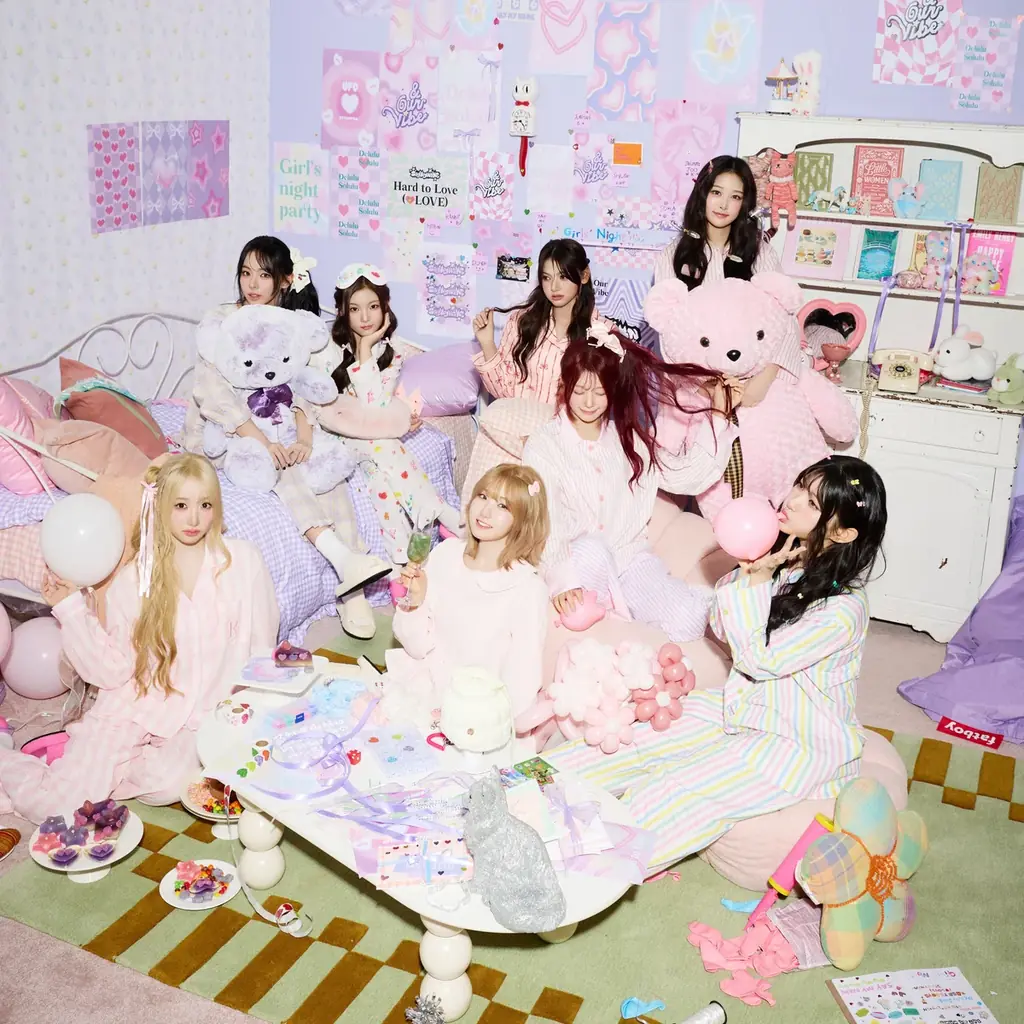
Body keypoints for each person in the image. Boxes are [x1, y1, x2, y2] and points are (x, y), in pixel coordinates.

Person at [545, 455, 887, 873]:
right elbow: (724, 626)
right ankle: (516, 786)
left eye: (813, 503)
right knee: (640, 739)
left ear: (843, 532)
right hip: (745, 707)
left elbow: (759, 659)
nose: (793, 501)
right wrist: (751, 572)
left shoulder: (844, 610)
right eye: (800, 486)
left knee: (677, 793)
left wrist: (756, 582)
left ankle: (570, 868)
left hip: (796, 742)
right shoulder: (788, 566)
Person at [0, 454, 280, 824]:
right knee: (57, 809)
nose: (194, 520)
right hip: (134, 707)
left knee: (168, 786)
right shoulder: (133, 581)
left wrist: (252, 715)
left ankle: (86, 766)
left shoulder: (244, 562)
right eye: (180, 506)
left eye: (205, 505)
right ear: (160, 507)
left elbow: (262, 649)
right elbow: (113, 672)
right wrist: (70, 610)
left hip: (202, 716)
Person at [181, 237, 389, 641]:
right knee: (285, 468)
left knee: (326, 471)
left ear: (285, 280)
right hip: (231, 433)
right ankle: (339, 555)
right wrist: (263, 441)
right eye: (246, 273)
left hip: (282, 425)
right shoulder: (221, 321)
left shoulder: (289, 323)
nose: (252, 284)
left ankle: (353, 588)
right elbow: (212, 394)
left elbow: (303, 389)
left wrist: (305, 439)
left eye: (264, 275)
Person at [523, 321, 737, 643]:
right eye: (580, 391)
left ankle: (684, 604)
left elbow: (686, 477)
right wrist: (562, 580)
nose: (589, 402)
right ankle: (615, 620)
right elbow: (544, 517)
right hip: (577, 563)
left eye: (600, 392)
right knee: (592, 553)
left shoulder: (630, 441)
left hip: (629, 561)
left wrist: (719, 415)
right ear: (564, 387)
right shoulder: (544, 444)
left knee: (688, 620)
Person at [379, 463, 550, 732]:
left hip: (475, 721)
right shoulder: (445, 554)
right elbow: (416, 648)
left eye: (503, 506)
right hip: (418, 694)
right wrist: (416, 602)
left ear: (523, 520)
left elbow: (522, 683)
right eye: (483, 496)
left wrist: (483, 730)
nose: (485, 511)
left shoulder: (527, 588)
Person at [316, 263, 461, 562]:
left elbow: (375, 408)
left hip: (371, 437)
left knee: (380, 482)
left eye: (373, 307)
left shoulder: (391, 352)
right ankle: (437, 510)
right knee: (384, 444)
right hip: (337, 436)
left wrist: (368, 350)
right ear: (342, 311)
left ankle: (402, 563)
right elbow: (353, 411)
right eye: (355, 309)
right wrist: (362, 349)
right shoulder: (327, 348)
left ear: (386, 306)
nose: (365, 317)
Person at [461, 239, 611, 509]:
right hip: (512, 431)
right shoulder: (523, 321)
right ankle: (471, 524)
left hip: (562, 441)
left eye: (563, 277)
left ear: (584, 276)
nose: (554, 287)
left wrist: (547, 440)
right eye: (547, 277)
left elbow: (597, 403)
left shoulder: (601, 333)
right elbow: (504, 392)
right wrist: (487, 343)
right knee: (491, 490)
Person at [653, 156, 801, 408]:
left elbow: (786, 320)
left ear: (745, 203)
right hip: (696, 391)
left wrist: (757, 387)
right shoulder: (674, 255)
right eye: (716, 192)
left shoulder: (760, 252)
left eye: (735, 197)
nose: (724, 204)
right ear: (702, 194)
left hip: (757, 386)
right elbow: (669, 332)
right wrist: (711, 389)